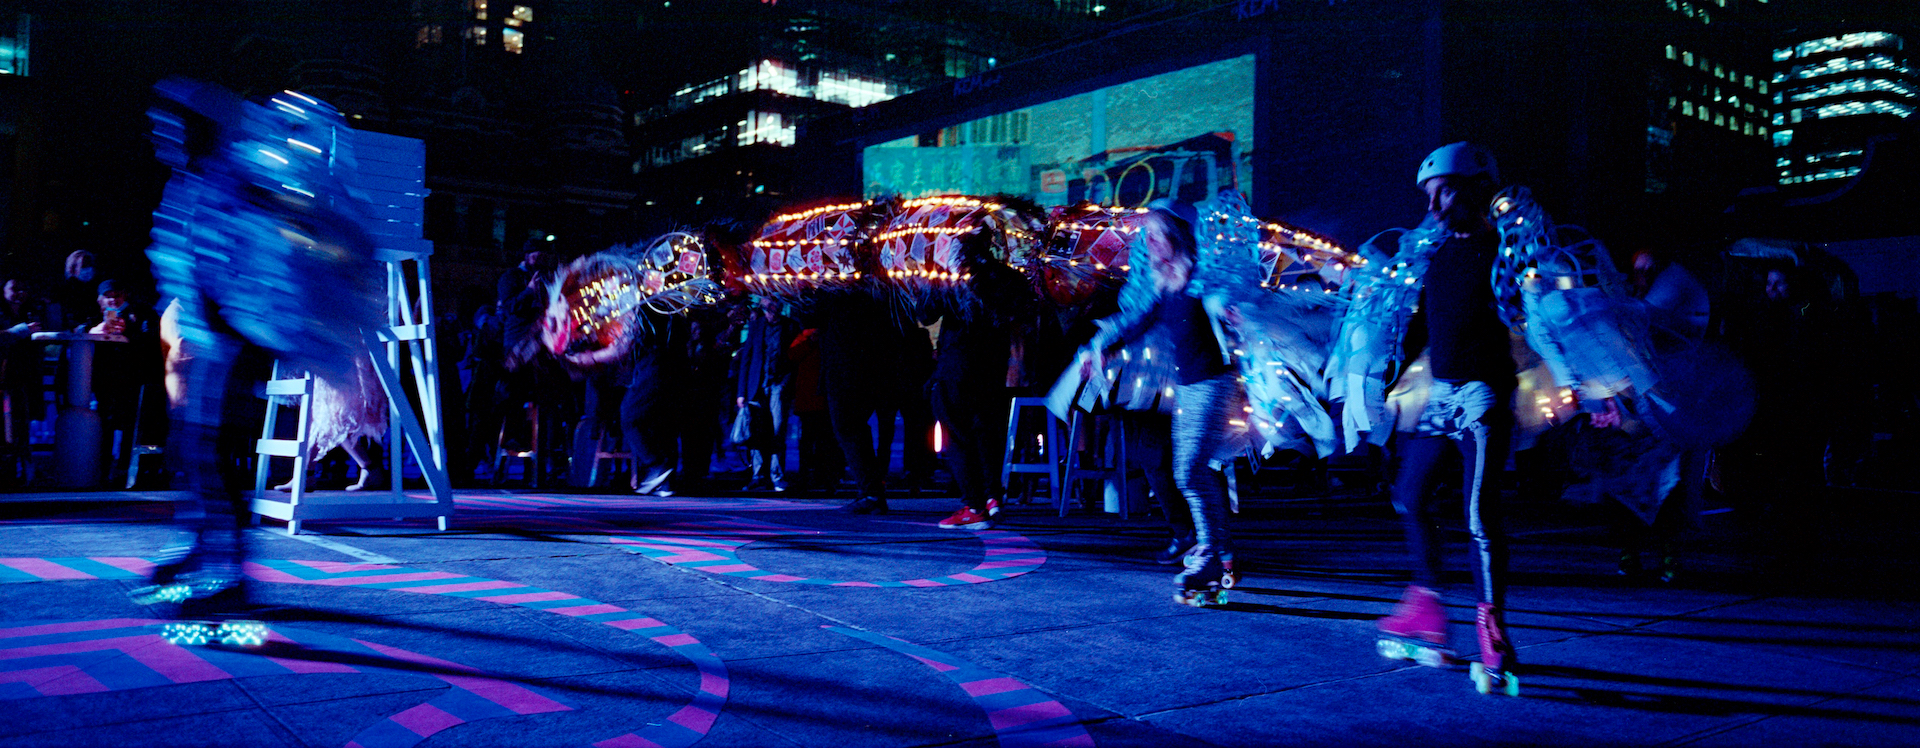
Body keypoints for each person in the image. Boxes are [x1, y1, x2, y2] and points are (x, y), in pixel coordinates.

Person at [1372, 143, 1518, 689]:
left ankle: (1492, 631)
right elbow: (1422, 326)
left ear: (1479, 188)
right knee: (1409, 495)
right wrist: (1384, 376)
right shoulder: (1434, 254)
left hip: (1482, 396)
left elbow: (1551, 318)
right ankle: (1428, 606)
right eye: (1428, 195)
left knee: (1479, 515)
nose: (1433, 206)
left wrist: (1596, 391)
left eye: (1446, 191)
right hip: (1440, 394)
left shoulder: (1502, 249)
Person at [1082, 200, 1242, 604]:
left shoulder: (1201, 279)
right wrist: (1101, 348)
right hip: (1189, 386)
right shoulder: (1164, 284)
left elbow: (1224, 302)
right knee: (1192, 471)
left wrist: (1230, 311)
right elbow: (1135, 322)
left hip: (1214, 382)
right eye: (1147, 235)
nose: (1149, 243)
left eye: (1156, 234)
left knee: (1189, 472)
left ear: (1178, 236)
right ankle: (1220, 554)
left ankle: (1210, 554)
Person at [928, 233, 1027, 531]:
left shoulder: (952, 277)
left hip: (957, 365)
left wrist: (932, 280)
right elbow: (1020, 313)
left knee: (957, 434)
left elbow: (926, 313)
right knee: (987, 431)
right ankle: (993, 497)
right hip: (993, 365)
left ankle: (973, 506)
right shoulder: (1008, 276)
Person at [732, 295, 798, 491]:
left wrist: (787, 382)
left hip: (778, 384)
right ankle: (759, 475)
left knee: (778, 429)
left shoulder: (789, 326)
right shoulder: (757, 325)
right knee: (757, 430)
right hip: (757, 386)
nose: (771, 313)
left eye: (773, 308)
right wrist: (741, 392)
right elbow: (746, 358)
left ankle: (776, 475)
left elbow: (794, 358)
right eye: (768, 309)